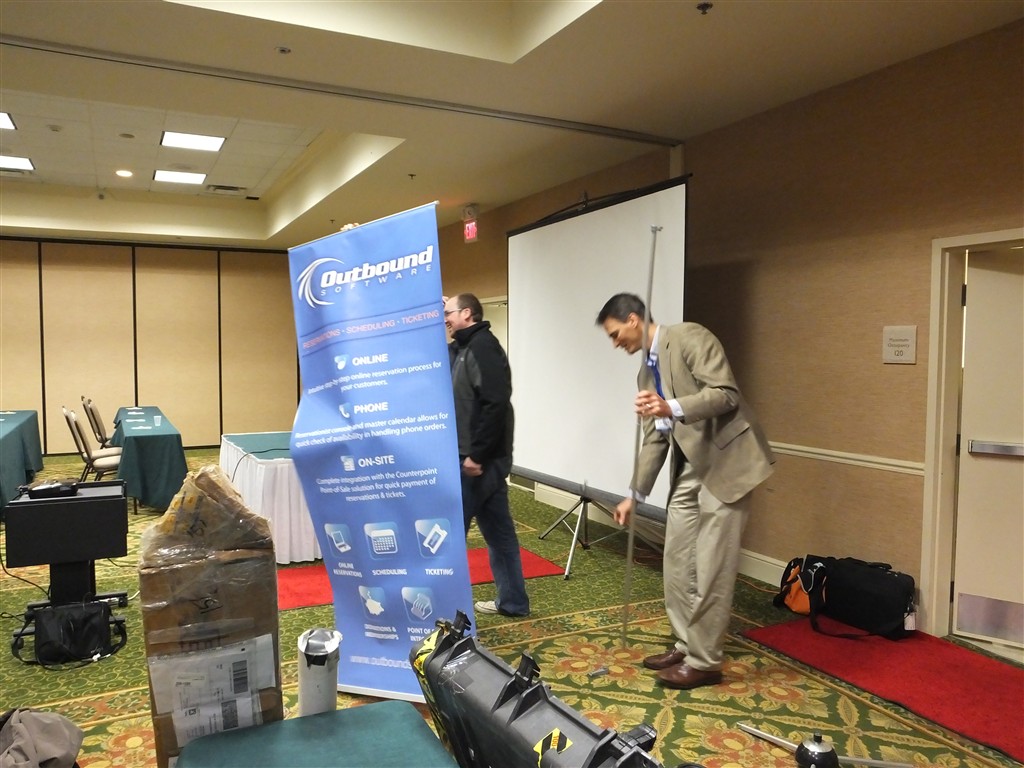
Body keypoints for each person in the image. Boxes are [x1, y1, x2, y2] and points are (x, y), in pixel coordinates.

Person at [596, 292, 774, 689]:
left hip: (728, 464)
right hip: (690, 469)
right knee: (676, 560)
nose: (615, 344)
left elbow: (726, 394)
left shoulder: (690, 337)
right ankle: (685, 643)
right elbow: (655, 438)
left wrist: (671, 406)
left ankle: (705, 660)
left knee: (711, 565)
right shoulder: (645, 374)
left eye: (615, 334)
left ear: (633, 320)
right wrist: (634, 495)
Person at [445, 292, 530, 617]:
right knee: (499, 533)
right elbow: (444, 355)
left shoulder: (483, 347)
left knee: (450, 536)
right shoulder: (464, 347)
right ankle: (513, 602)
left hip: (478, 462)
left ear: (467, 313)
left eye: (449, 314)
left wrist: (477, 456)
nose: (446, 319)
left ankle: (447, 608)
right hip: (480, 459)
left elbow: (496, 403)